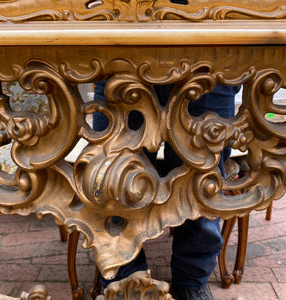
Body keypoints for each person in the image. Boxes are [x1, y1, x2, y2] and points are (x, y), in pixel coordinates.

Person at [93, 81, 240, 300]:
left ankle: (191, 282)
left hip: (210, 60)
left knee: (202, 185)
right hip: (119, 58)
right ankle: (123, 282)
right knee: (115, 183)